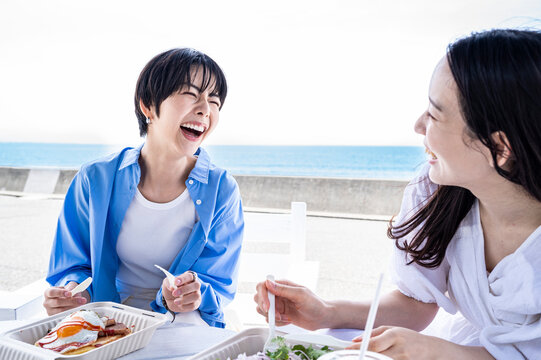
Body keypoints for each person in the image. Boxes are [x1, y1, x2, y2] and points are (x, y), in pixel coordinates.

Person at [254, 29, 541, 359]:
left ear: (500, 147)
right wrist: (326, 311)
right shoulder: (436, 191)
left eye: (434, 114)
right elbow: (418, 302)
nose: (419, 125)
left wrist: (440, 354)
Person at [43, 48, 244, 328]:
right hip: (105, 320)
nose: (204, 109)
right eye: (190, 93)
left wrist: (193, 294)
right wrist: (70, 292)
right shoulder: (94, 179)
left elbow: (218, 284)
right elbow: (73, 264)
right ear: (148, 105)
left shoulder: (222, 191)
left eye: (214, 100)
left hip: (181, 323)